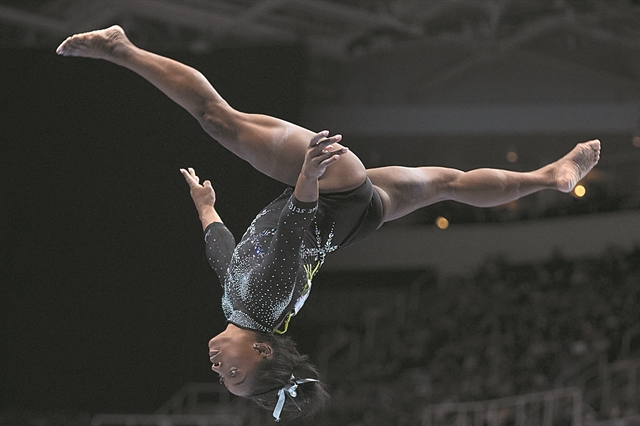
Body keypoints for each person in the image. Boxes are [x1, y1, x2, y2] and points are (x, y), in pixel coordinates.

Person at [56, 25, 601, 422]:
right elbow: (291, 235)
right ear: (263, 353)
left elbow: (225, 262)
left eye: (224, 380)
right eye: (235, 374)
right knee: (218, 119)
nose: (220, 370)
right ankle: (121, 49)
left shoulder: (247, 308)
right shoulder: (263, 304)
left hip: (355, 220)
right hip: (328, 195)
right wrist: (309, 179)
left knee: (448, 184)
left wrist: (206, 210)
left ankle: (547, 175)